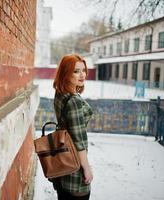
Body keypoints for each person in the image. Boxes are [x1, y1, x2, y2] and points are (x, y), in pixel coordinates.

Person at [52, 54, 93, 200]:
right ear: (65, 73)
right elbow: (79, 140)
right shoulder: (73, 101)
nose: (82, 75)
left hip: (62, 160)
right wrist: (86, 168)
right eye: (76, 71)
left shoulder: (60, 93)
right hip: (75, 165)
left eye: (83, 70)